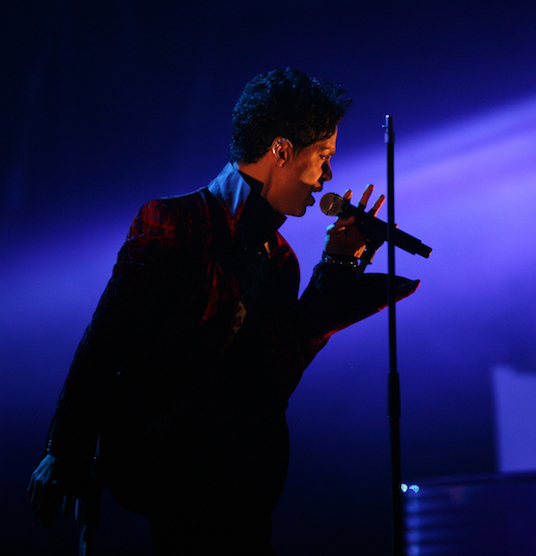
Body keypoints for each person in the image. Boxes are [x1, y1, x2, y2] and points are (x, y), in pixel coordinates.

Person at [27, 67, 419, 554]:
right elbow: (105, 342)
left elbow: (271, 378)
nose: (328, 177)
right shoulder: (174, 225)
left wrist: (339, 265)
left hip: (239, 501)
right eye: (323, 156)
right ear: (280, 150)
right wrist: (64, 451)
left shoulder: (280, 260)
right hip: (161, 496)